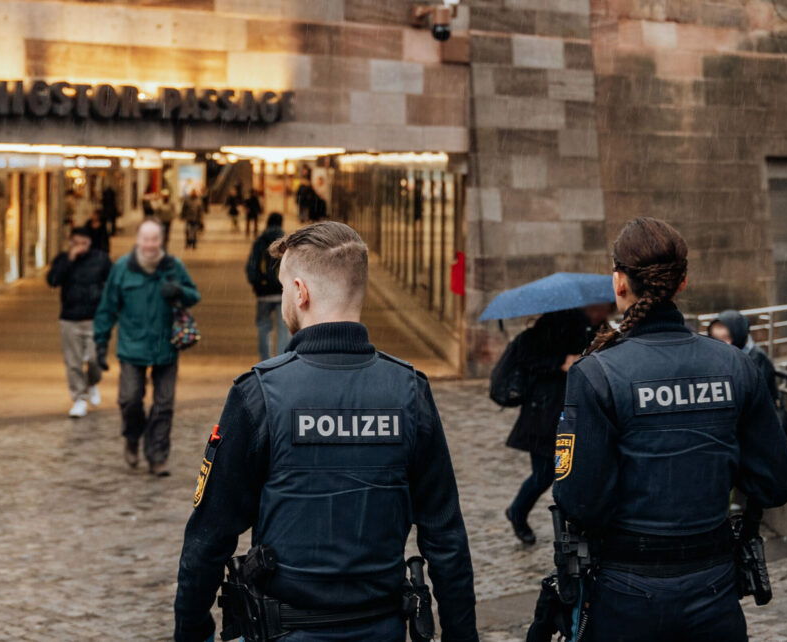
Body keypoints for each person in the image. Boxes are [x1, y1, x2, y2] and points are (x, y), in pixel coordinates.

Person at [174, 222, 478, 642]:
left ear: (301, 292)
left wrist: (192, 632)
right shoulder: (409, 391)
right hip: (382, 629)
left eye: (283, 288)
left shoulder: (259, 394)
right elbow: (446, 539)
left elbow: (208, 539)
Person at [550, 217, 787, 641]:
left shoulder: (597, 373)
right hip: (714, 586)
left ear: (619, 282)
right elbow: (776, 483)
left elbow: (580, 500)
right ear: (682, 282)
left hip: (625, 592)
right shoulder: (736, 365)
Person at [94, 218, 200, 477]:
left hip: (166, 347)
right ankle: (132, 437)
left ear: (161, 240)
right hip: (132, 347)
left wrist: (178, 291)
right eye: (146, 239)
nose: (150, 245)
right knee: (130, 399)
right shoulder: (122, 269)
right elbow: (107, 308)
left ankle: (157, 456)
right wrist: (99, 344)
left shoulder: (173, 267)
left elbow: (194, 295)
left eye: (155, 239)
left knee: (164, 405)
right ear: (138, 240)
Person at [502, 305, 610, 545]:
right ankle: (518, 511)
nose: (603, 312)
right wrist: (561, 363)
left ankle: (576, 525)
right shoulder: (553, 324)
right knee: (544, 473)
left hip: (576, 409)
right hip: (543, 411)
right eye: (600, 308)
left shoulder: (599, 329)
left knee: (577, 470)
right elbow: (528, 359)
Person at [47, 227, 112, 418]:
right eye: (76, 243)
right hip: (70, 318)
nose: (80, 247)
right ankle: (79, 399)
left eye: (84, 243)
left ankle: (92, 383)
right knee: (73, 362)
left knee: (94, 359)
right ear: (70, 243)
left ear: (90, 243)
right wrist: (69, 260)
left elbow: (114, 282)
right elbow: (52, 280)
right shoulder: (63, 259)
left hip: (95, 318)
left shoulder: (101, 259)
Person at [246, 213, 290, 361]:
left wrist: (257, 284)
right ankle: (281, 360)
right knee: (284, 329)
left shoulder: (259, 242)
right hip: (283, 293)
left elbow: (251, 267)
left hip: (264, 293)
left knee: (264, 328)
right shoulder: (286, 243)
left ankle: (265, 360)